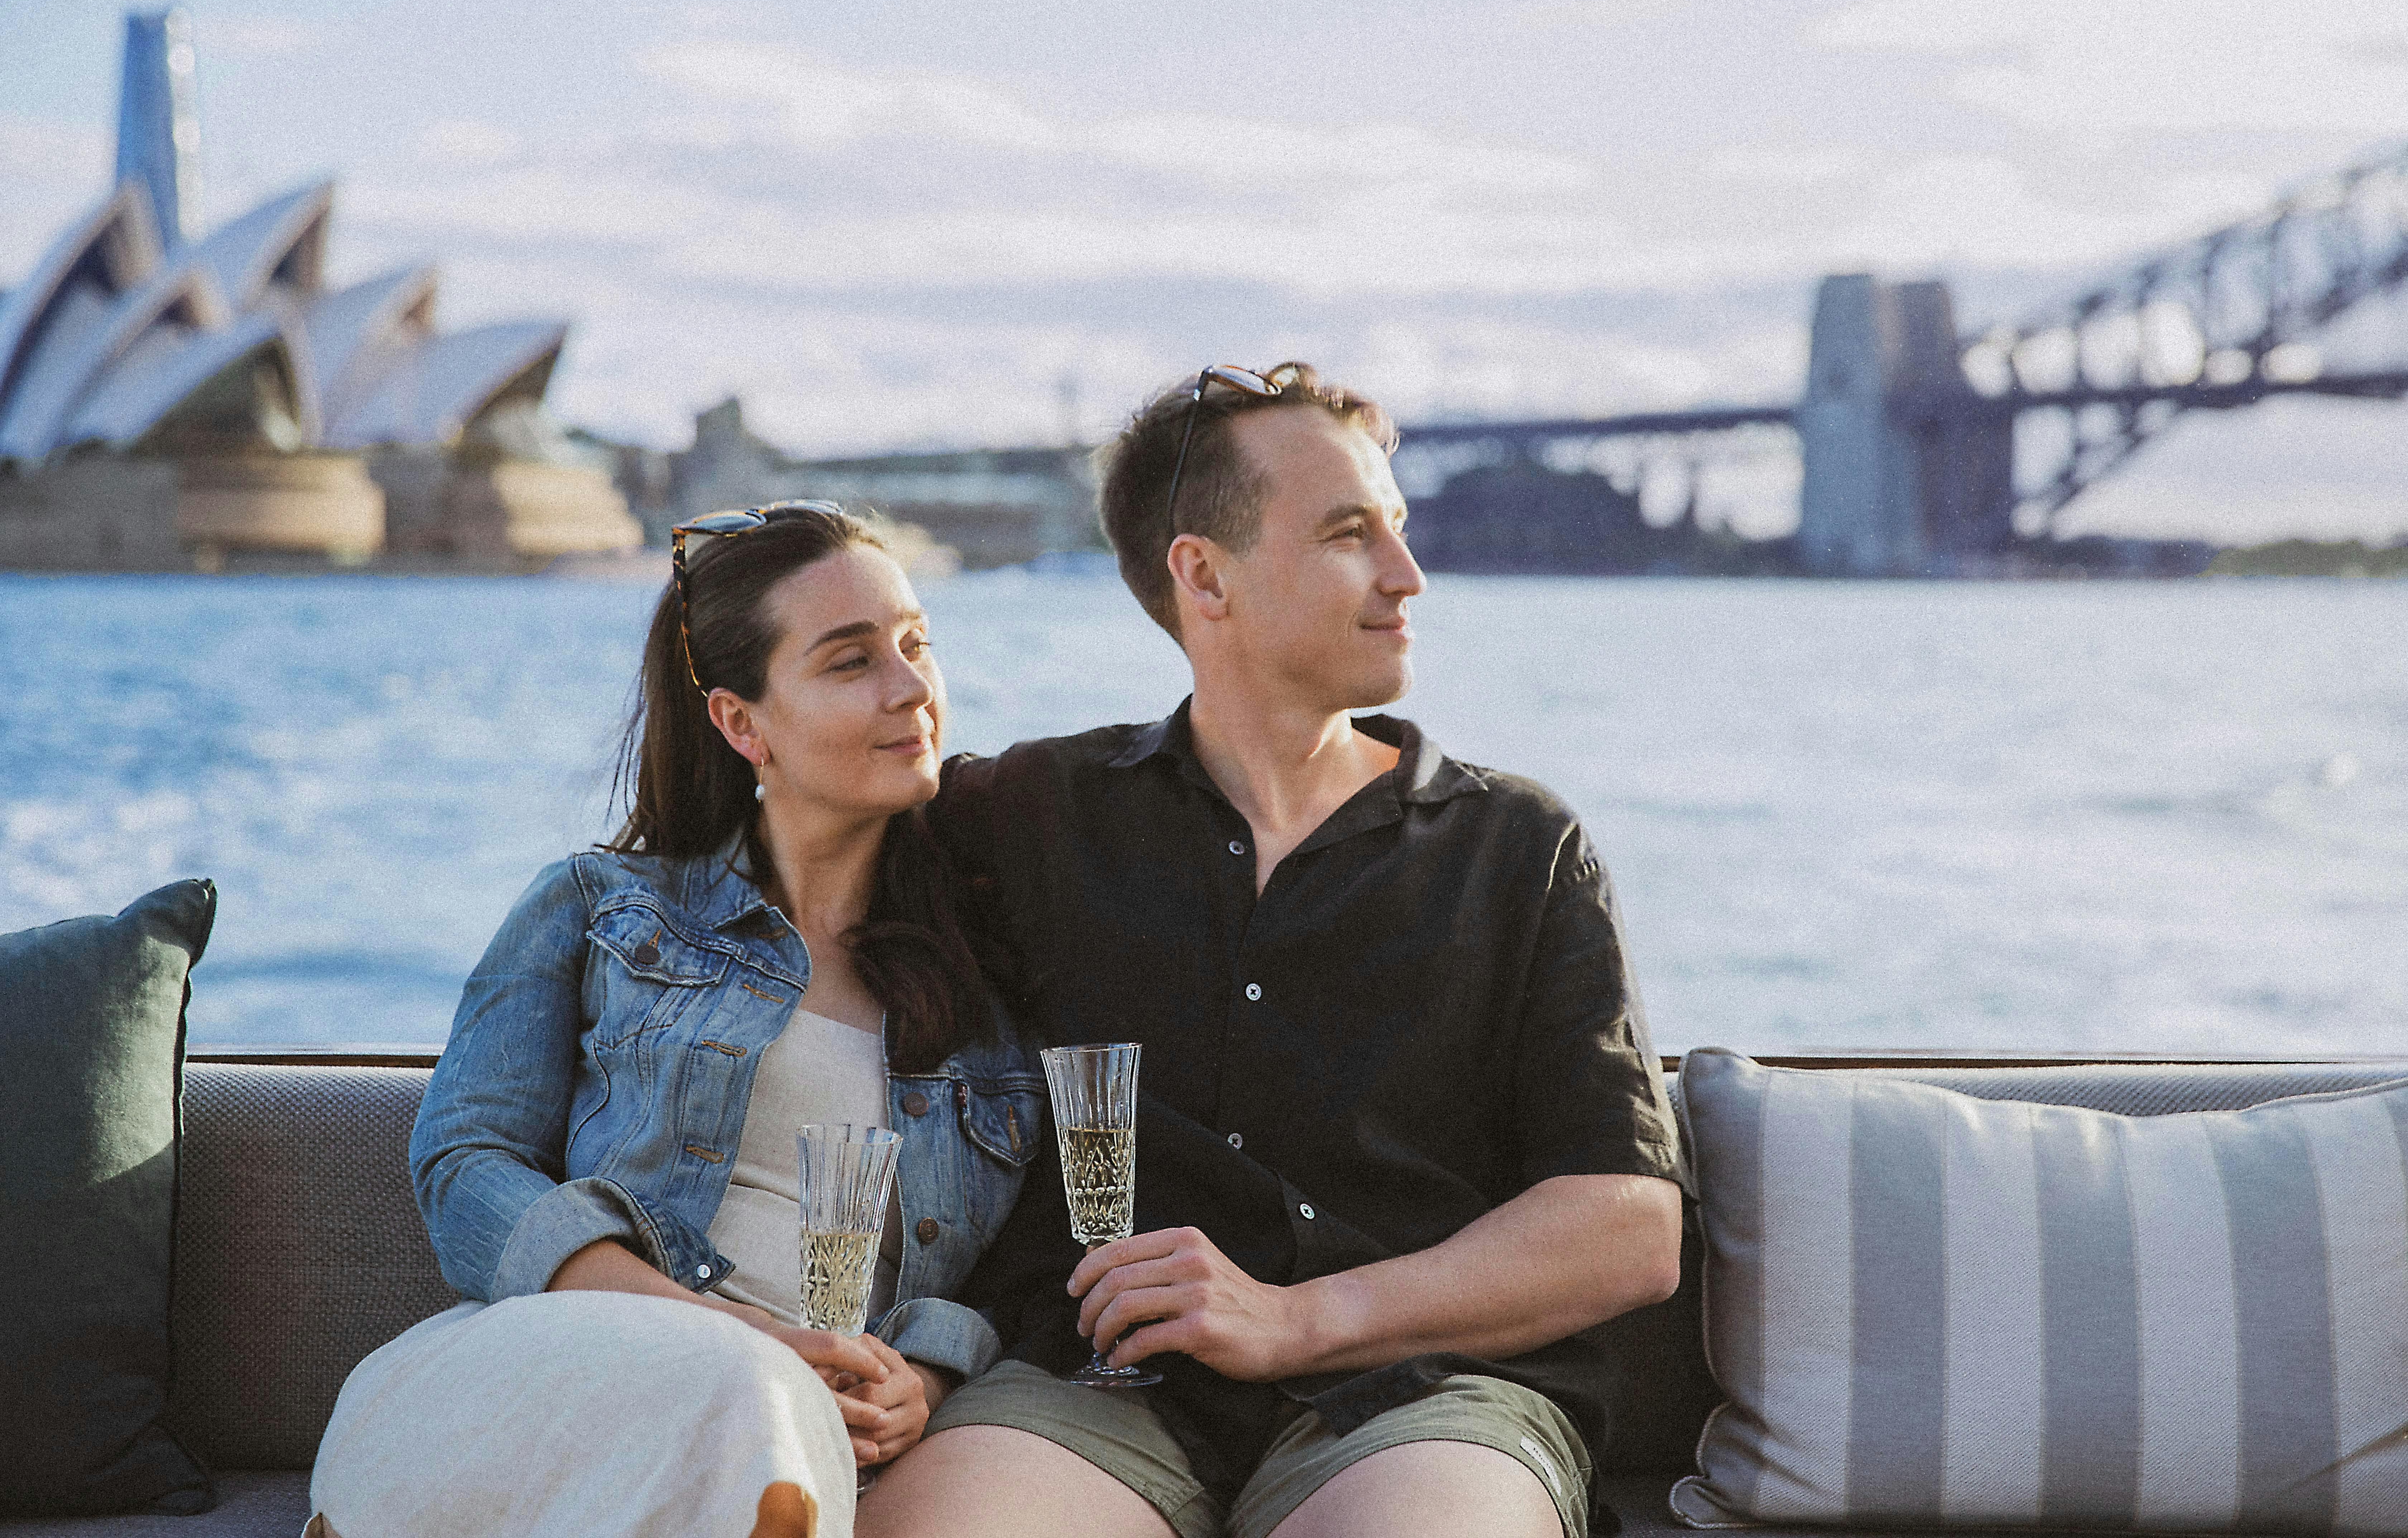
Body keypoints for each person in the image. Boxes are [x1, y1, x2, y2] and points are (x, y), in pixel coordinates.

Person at [860, 365, 1688, 1538]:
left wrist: (1297, 1321)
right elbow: (780, 869)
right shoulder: (1030, 813)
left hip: (1421, 1398)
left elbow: (1630, 1228)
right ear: (1204, 575)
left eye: (1395, 532)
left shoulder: (1518, 848)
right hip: (1095, 1388)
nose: (1407, 578)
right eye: (1352, 536)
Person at [311, 503, 1042, 1538]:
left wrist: (923, 1372)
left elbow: (1026, 1264)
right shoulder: (599, 909)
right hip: (570, 1377)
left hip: (809, 1438)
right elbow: (464, 1165)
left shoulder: (986, 980)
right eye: (851, 662)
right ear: (743, 724)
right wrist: (727, 1333)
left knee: (773, 1433)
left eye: (917, 646)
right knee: (747, 1398)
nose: (913, 689)